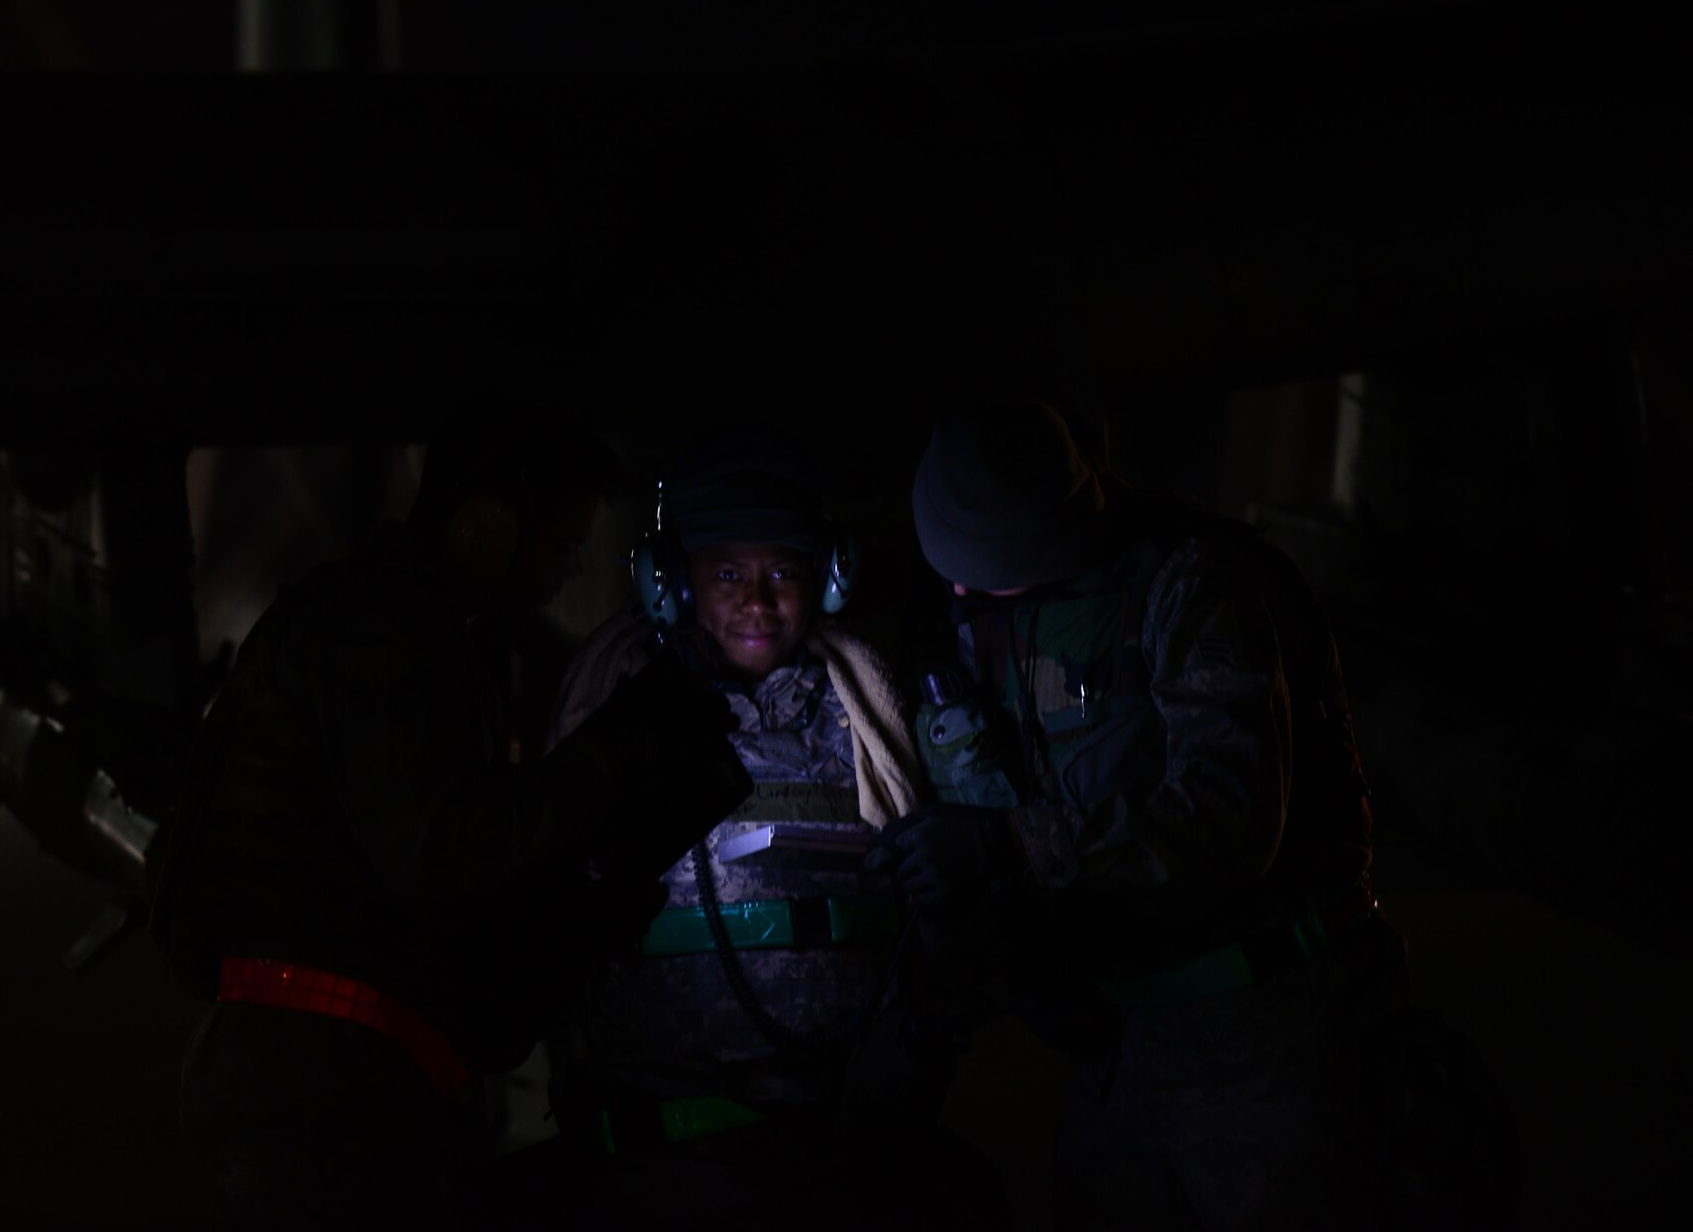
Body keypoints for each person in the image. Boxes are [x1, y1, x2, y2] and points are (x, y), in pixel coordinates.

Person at [148, 408, 754, 1231]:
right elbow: (439, 849)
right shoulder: (382, 629)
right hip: (320, 1097)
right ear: (484, 531)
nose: (573, 571)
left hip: (334, 1086)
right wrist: (615, 750)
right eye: (562, 544)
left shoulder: (395, 625)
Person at [869, 402, 1410, 1232]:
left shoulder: (1193, 581)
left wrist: (1005, 848)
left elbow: (1229, 818)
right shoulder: (986, 618)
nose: (965, 589)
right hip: (1121, 1053)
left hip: (1273, 1049)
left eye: (991, 570)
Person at [526, 424, 1013, 1231]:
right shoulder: (612, 708)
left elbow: (961, 914)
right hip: (657, 1164)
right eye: (726, 573)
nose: (758, 599)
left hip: (843, 1158)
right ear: (671, 582)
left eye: (783, 571)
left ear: (825, 579)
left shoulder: (870, 708)